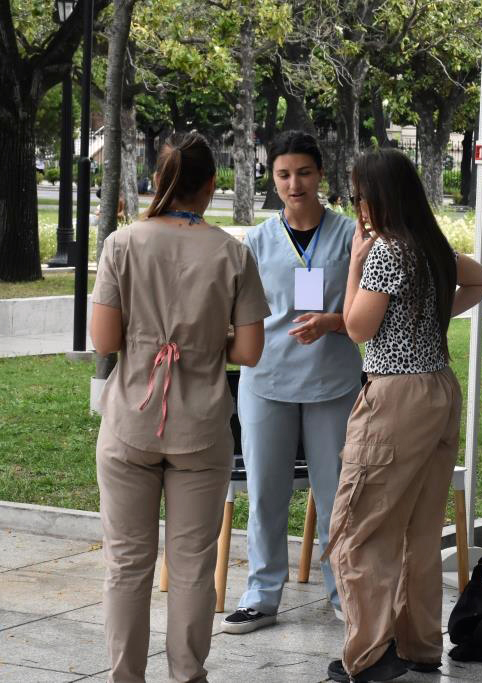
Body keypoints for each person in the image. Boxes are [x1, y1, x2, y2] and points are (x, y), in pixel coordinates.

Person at [89, 131, 269, 682]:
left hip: (130, 421)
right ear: (211, 185)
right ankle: (187, 676)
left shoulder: (121, 244)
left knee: (127, 564)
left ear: (159, 180)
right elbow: (249, 351)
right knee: (192, 566)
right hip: (202, 425)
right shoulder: (233, 253)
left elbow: (104, 340)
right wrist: (205, 341)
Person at [324, 148, 482, 682]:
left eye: (358, 194)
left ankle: (369, 655)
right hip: (439, 389)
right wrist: (435, 315)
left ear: (378, 196)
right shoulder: (431, 246)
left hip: (395, 396)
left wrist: (354, 265)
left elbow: (357, 328)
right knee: (419, 530)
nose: (356, 205)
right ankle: (418, 645)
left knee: (360, 528)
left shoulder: (385, 252)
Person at [221, 131, 363, 634]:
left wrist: (333, 322)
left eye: (303, 172)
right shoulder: (255, 242)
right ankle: (261, 596)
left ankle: (345, 592)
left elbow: (370, 312)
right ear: (273, 179)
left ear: (320, 174)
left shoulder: (352, 236)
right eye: (283, 174)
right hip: (266, 381)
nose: (294, 183)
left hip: (333, 383)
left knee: (337, 494)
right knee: (265, 494)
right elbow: (236, 314)